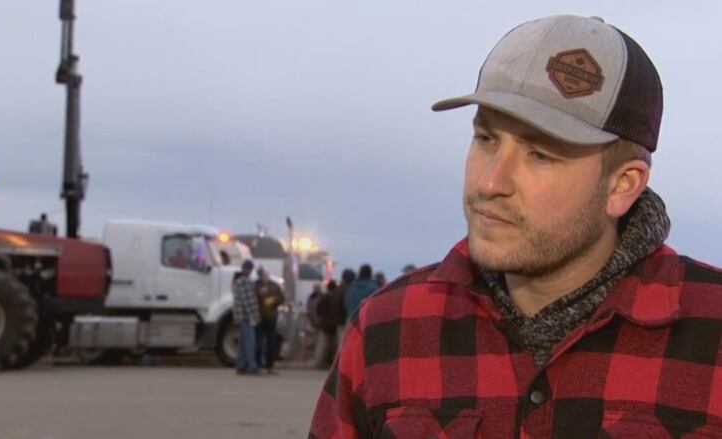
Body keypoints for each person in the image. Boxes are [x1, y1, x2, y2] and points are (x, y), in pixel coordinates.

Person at [309, 14, 722, 438]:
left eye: (539, 154)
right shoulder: (387, 328)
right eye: (485, 139)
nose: (490, 182)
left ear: (622, 185)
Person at [254, 266, 284, 374]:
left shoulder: (274, 286)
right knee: (259, 342)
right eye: (261, 275)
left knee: (271, 342)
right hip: (260, 317)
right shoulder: (256, 285)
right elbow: (252, 298)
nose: (263, 276)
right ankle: (257, 365)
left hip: (271, 317)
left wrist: (274, 300)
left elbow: (281, 298)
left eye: (264, 274)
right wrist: (259, 295)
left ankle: (269, 366)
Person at [232, 259, 260, 375]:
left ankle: (241, 364)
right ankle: (251, 365)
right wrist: (254, 316)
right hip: (246, 316)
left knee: (243, 342)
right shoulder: (245, 282)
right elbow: (247, 301)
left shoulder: (237, 281)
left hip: (239, 315)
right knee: (249, 342)